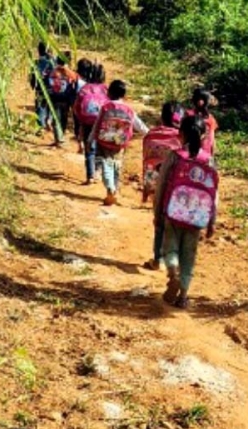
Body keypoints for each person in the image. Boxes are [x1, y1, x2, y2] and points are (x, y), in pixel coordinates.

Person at [153, 115, 218, 309]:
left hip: (173, 212)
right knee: (189, 255)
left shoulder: (174, 156)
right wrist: (211, 220)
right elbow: (214, 194)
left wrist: (158, 213)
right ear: (204, 134)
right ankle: (183, 295)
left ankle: (172, 272)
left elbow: (161, 185)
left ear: (180, 134)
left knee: (170, 248)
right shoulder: (209, 161)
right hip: (197, 216)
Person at [88, 79, 148, 205]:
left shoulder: (105, 107)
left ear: (109, 93)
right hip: (120, 142)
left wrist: (90, 139)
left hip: (104, 141)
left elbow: (97, 124)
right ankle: (113, 189)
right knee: (116, 166)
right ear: (124, 95)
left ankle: (110, 188)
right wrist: (150, 134)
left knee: (105, 164)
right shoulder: (129, 109)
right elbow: (139, 125)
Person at [141, 101, 185, 271]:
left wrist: (146, 188)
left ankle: (157, 259)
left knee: (159, 223)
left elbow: (146, 162)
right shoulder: (182, 139)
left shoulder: (151, 136)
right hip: (177, 188)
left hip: (157, 185)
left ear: (162, 116)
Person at [74, 63, 107, 185]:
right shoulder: (106, 89)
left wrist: (81, 121)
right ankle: (98, 171)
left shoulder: (85, 88)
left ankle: (90, 176)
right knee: (100, 148)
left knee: (89, 149)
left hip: (87, 122)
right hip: (102, 122)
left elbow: (76, 107)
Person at [46, 53, 79, 145]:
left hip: (55, 98)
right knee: (64, 118)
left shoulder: (53, 71)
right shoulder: (71, 73)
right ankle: (61, 136)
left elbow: (49, 84)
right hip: (66, 99)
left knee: (56, 118)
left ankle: (58, 138)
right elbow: (75, 84)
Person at [30, 42, 55, 135]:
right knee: (51, 105)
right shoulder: (52, 62)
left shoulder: (36, 62)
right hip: (51, 88)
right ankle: (49, 119)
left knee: (40, 107)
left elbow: (32, 76)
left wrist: (33, 86)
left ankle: (40, 126)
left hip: (40, 88)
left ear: (38, 51)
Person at [189, 87, 218, 154]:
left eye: (202, 99)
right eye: (198, 99)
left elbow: (212, 138)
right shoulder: (189, 115)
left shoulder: (210, 118)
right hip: (195, 153)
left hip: (203, 152)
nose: (200, 102)